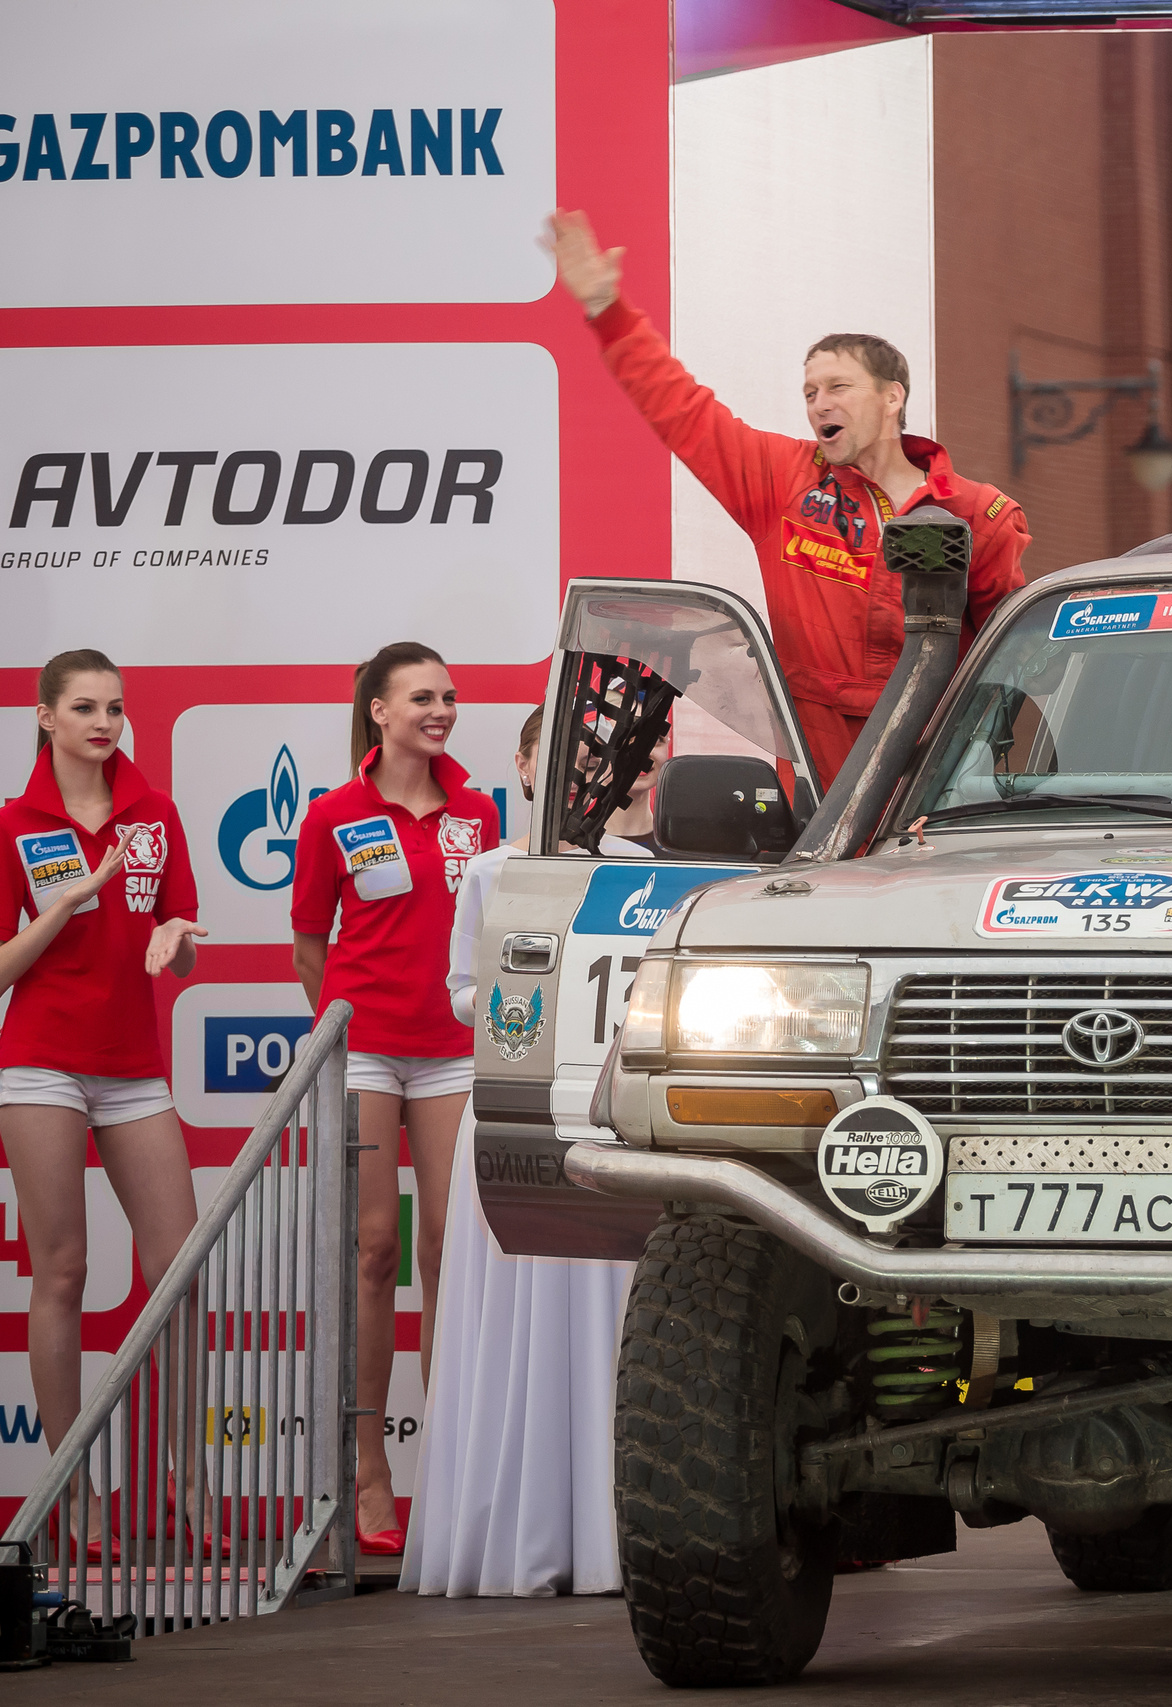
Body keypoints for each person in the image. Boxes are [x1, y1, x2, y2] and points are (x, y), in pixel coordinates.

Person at [544, 209, 1031, 788]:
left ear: (892, 396)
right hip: (818, 787)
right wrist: (608, 312)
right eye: (809, 392)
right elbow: (682, 411)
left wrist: (968, 773)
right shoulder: (783, 480)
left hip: (931, 778)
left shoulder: (976, 512)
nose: (819, 403)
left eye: (838, 387)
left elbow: (1011, 662)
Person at [405, 710, 640, 1597]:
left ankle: (621, 1532)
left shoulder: (644, 874)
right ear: (525, 763)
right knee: (509, 1324)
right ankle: (519, 1532)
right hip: (512, 1114)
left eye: (596, 756)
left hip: (608, 1122)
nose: (581, 770)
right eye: (562, 753)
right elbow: (464, 992)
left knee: (608, 1322)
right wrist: (522, 999)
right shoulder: (492, 871)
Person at [291, 642, 502, 1555]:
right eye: (423, 696)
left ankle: (446, 1471)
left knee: (453, 1251)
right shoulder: (335, 812)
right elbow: (309, 944)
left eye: (449, 695)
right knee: (374, 1251)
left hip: (453, 1050)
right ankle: (368, 1470)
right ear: (378, 710)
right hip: (368, 1049)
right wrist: (345, 1030)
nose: (442, 709)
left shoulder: (478, 809)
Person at [0, 650, 208, 1546]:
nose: (105, 722)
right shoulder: (14, 822)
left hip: (132, 1064)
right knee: (65, 1271)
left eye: (116, 708)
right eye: (84, 707)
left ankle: (188, 1485)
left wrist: (173, 934)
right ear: (45, 717)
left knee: (180, 1271)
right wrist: (65, 905)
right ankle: (71, 1491)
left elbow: (184, 939)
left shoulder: (153, 814)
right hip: (41, 1059)